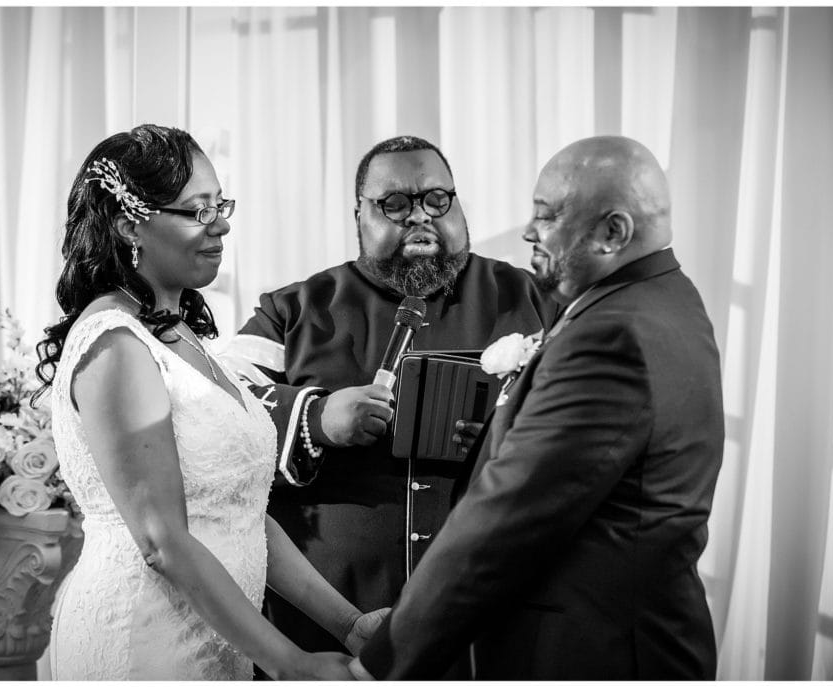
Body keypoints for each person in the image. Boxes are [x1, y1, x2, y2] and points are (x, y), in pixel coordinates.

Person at [352, 135, 725, 680]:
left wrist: (380, 664)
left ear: (613, 232)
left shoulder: (610, 335)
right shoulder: (666, 298)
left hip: (598, 652)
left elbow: (505, 522)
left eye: (547, 217)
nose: (528, 231)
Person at [36, 124, 384, 680]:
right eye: (197, 211)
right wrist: (291, 663)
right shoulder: (117, 345)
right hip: (142, 639)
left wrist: (347, 624)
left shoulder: (184, 338)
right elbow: (161, 540)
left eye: (220, 205)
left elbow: (240, 511)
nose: (221, 224)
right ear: (131, 224)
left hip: (215, 638)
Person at [220, 135, 556, 675]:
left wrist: (501, 431)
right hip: (329, 621)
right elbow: (221, 412)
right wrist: (317, 417)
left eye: (436, 199)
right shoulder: (293, 309)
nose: (419, 217)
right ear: (360, 215)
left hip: (489, 614)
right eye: (394, 204)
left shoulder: (531, 299)